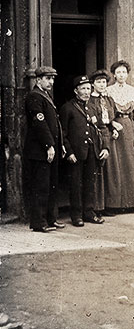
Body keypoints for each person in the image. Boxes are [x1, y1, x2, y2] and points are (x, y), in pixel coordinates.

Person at [60, 75, 110, 226]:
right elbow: (63, 134)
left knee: (90, 183)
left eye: (89, 88)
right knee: (75, 184)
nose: (87, 92)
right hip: (76, 154)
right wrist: (69, 152)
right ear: (76, 90)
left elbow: (101, 129)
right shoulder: (68, 108)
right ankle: (76, 215)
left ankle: (89, 213)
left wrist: (105, 147)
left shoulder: (92, 107)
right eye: (83, 88)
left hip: (91, 152)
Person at [23, 66, 65, 232]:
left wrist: (58, 143)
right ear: (38, 79)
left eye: (52, 79)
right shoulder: (35, 96)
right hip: (40, 150)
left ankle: (50, 219)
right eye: (47, 78)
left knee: (51, 185)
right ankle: (39, 223)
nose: (51, 82)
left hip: (50, 148)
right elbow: (40, 125)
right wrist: (49, 145)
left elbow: (54, 124)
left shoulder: (45, 95)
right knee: (41, 186)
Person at [105, 60, 134, 212]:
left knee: (132, 165)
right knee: (116, 165)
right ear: (114, 75)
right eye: (118, 72)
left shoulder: (133, 92)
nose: (121, 75)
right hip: (115, 129)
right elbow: (107, 112)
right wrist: (111, 124)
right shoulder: (108, 92)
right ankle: (117, 204)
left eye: (124, 72)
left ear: (127, 74)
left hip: (129, 128)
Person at [87, 69, 121, 218]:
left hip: (109, 136)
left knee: (109, 171)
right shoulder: (90, 100)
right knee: (98, 172)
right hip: (97, 136)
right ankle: (97, 206)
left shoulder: (108, 99)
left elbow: (112, 116)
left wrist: (114, 127)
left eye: (104, 82)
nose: (102, 85)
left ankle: (108, 204)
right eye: (99, 82)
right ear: (93, 84)